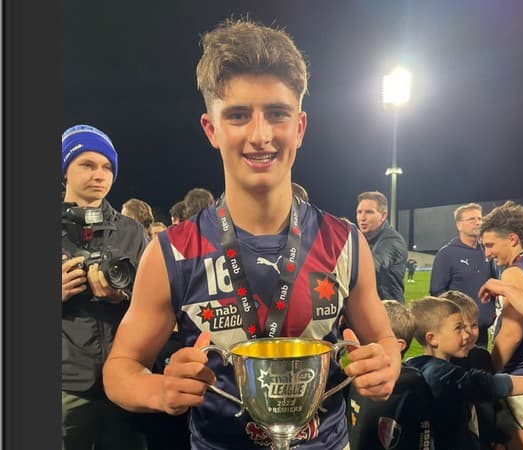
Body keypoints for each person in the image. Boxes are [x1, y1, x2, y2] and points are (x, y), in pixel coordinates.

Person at [103, 18, 401, 450]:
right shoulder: (171, 250)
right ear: (212, 129)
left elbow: (384, 340)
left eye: (277, 114)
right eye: (239, 115)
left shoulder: (345, 241)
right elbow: (119, 368)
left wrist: (385, 365)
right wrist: (158, 391)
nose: (261, 136)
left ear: (299, 126)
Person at [61, 124, 148, 450]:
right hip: (67, 384)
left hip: (124, 379)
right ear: (65, 170)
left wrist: (122, 296)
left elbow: (158, 305)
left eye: (107, 166)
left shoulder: (132, 231)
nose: (100, 174)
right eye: (87, 164)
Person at [405, 297, 523, 450]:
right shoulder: (440, 374)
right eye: (458, 328)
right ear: (432, 338)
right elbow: (489, 384)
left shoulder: (415, 365)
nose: (466, 335)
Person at [480, 201, 523, 450]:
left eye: (490, 245)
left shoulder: (513, 274)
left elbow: (512, 335)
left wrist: (489, 374)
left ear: (512, 239)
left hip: (521, 378)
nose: (487, 253)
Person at [347, 300, 435, 450]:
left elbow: (424, 434)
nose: (361, 340)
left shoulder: (412, 384)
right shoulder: (353, 375)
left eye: (371, 337)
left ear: (398, 345)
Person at [440, 290, 508, 450]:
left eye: (474, 325)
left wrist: (496, 437)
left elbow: (489, 403)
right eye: (460, 327)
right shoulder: (438, 364)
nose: (469, 332)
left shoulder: (480, 356)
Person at [430, 203, 498, 347]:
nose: (478, 222)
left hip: (482, 330)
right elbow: (437, 291)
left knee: (481, 366)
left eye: (480, 218)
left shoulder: (487, 251)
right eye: (472, 219)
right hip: (459, 332)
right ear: (459, 225)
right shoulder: (447, 253)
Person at [356, 191, 409, 303]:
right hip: (367, 308)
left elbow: (372, 265)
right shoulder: (361, 238)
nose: (362, 217)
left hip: (389, 312)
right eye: (359, 212)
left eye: (369, 212)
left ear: (383, 216)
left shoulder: (392, 240)